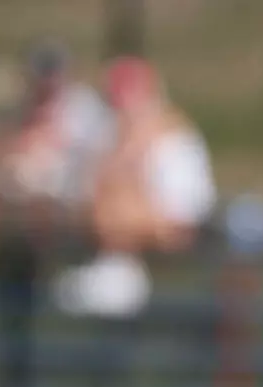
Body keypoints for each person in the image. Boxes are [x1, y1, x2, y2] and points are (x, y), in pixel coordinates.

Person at [57, 57, 216, 318]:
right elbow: (79, 203)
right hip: (100, 256)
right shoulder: (98, 139)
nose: (124, 112)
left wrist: (122, 212)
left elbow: (180, 223)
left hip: (162, 267)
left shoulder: (175, 143)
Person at [0, 43, 111, 240]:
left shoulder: (88, 110)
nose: (48, 81)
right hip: (25, 200)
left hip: (74, 194)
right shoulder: (15, 112)